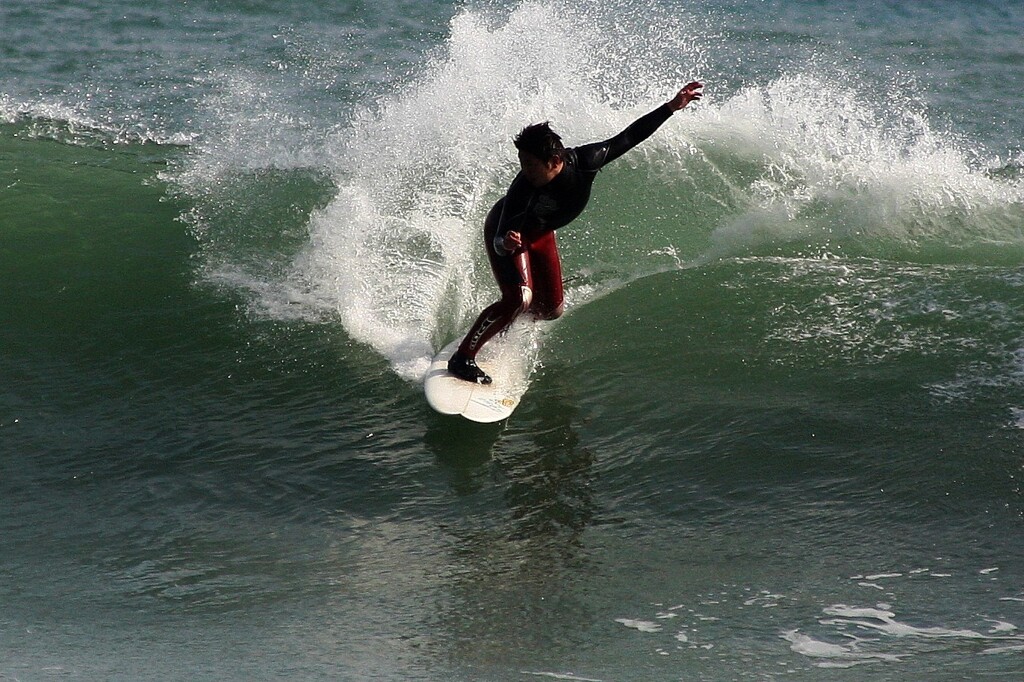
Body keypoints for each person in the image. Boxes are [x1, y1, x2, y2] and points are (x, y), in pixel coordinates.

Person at [448, 81, 704, 384]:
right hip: (511, 233)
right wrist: (505, 242)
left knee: (551, 310)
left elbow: (629, 136)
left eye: (530, 164)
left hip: (542, 233)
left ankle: (503, 323)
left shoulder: (586, 162)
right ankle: (463, 357)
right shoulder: (522, 188)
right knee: (519, 297)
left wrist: (671, 108)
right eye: (522, 163)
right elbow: (500, 239)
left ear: (555, 162)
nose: (524, 170)